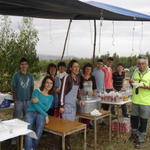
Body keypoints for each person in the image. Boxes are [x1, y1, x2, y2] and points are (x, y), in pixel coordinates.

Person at [59, 59, 85, 150]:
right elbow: (62, 92)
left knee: (70, 126)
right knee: (66, 126)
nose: (77, 68)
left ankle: (67, 143)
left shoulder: (77, 78)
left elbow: (77, 91)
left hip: (73, 106)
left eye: (78, 67)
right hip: (66, 106)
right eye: (74, 67)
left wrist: (80, 100)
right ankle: (65, 145)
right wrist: (61, 106)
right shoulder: (67, 78)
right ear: (70, 68)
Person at [25, 76, 54, 150]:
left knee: (39, 130)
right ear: (44, 83)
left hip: (41, 114)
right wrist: (45, 114)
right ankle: (28, 148)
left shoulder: (51, 97)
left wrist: (38, 102)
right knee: (29, 130)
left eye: (51, 83)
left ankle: (33, 148)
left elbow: (46, 108)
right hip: (31, 112)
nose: (49, 85)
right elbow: (35, 105)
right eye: (47, 82)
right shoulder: (36, 91)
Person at [130, 56, 150, 148]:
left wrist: (143, 86)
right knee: (134, 119)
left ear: (147, 64)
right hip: (135, 100)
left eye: (143, 64)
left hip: (145, 102)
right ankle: (134, 134)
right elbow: (132, 82)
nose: (141, 66)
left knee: (143, 120)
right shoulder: (135, 71)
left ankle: (141, 138)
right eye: (139, 64)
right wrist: (131, 82)